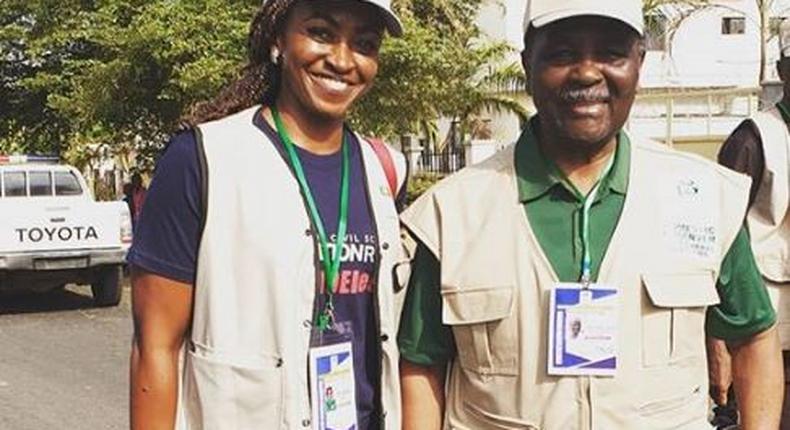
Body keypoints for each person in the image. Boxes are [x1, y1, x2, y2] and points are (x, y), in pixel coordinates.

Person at [397, 1, 784, 429]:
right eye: (562, 54)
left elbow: (754, 337)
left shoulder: (705, 199)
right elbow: (422, 364)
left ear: (639, 62)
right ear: (528, 63)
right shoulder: (453, 213)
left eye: (611, 53)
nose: (586, 73)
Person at [128, 1, 409, 429]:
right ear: (278, 37)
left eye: (364, 44)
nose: (341, 59)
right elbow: (155, 347)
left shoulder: (382, 169)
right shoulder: (203, 159)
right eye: (321, 32)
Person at [709, 17, 790, 427]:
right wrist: (719, 335)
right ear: (783, 71)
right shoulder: (755, 136)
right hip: (768, 320)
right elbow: (720, 234)